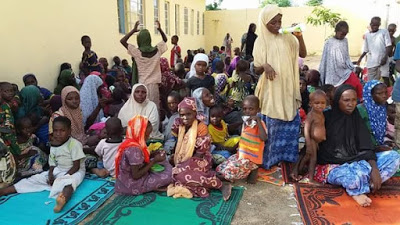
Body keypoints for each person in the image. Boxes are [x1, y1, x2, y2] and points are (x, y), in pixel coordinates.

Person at [314, 85, 400, 207]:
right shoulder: (326, 117)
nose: (351, 104)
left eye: (354, 100)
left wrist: (374, 169)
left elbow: (366, 147)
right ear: (337, 100)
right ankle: (357, 191)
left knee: (394, 157)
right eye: (346, 100)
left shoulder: (356, 117)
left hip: (359, 161)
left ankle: (364, 185)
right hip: (334, 165)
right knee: (354, 176)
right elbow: (317, 145)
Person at [253, 5, 307, 169]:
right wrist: (265, 65)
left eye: (279, 21)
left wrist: (299, 36)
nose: (277, 25)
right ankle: (269, 160)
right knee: (271, 127)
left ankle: (287, 160)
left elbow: (303, 54)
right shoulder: (261, 40)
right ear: (264, 23)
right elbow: (256, 68)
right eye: (273, 22)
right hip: (271, 90)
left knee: (290, 121)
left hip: (287, 88)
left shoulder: (288, 37)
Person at [0, 116, 86, 213]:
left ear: (69, 131)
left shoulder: (74, 144)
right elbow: (52, 163)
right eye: (56, 131)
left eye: (62, 131)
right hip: (60, 169)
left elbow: (76, 166)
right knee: (35, 179)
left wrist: (62, 178)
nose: (58, 134)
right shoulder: (54, 144)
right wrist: (50, 175)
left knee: (69, 184)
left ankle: (63, 199)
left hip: (74, 171)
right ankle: (5, 191)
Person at [167, 97, 231, 200]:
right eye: (182, 115)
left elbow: (200, 153)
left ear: (195, 113)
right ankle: (212, 176)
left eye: (189, 114)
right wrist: (175, 157)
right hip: (183, 159)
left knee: (179, 175)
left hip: (200, 160)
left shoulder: (201, 127)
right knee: (169, 171)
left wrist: (182, 165)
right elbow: (177, 142)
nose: (185, 118)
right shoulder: (179, 125)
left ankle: (220, 185)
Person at [115, 115, 172, 195]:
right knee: (169, 175)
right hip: (133, 185)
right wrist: (154, 160)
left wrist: (152, 155)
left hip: (124, 182)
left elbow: (139, 160)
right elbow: (136, 175)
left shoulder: (129, 141)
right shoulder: (134, 149)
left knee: (164, 165)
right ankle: (151, 187)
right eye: (146, 135)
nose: (148, 137)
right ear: (140, 132)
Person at [216, 95, 267, 183]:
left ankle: (251, 169)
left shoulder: (260, 123)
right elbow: (243, 138)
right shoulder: (246, 123)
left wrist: (258, 121)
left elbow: (264, 138)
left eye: (251, 109)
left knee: (227, 172)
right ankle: (245, 172)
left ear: (258, 110)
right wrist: (235, 148)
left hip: (252, 159)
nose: (247, 112)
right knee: (219, 168)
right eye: (245, 109)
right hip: (241, 155)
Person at [120, 20, 168, 108]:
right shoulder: (157, 50)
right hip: (154, 86)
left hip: (141, 86)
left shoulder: (137, 52)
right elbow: (165, 40)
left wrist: (133, 30)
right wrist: (160, 29)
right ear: (149, 39)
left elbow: (123, 41)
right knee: (154, 109)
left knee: (142, 110)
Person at [319, 21, 363, 98]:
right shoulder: (329, 43)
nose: (343, 36)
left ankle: (359, 101)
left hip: (344, 70)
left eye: (345, 34)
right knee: (334, 93)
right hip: (332, 72)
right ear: (336, 31)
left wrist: (351, 65)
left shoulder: (345, 41)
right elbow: (325, 59)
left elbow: (346, 56)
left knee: (356, 84)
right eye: (342, 33)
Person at [291, 90, 327, 184]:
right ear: (311, 103)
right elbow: (306, 129)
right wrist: (308, 143)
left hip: (316, 141)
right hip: (311, 140)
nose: (320, 105)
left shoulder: (321, 113)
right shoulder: (311, 115)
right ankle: (310, 179)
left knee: (307, 157)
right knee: (312, 159)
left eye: (323, 103)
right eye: (317, 103)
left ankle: (300, 170)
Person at [357, 17, 392, 81]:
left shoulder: (384, 32)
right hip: (372, 62)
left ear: (379, 24)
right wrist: (360, 58)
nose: (375, 27)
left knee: (385, 78)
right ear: (370, 24)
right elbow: (366, 49)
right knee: (371, 81)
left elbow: (389, 45)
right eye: (373, 25)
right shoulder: (367, 35)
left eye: (377, 25)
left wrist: (385, 57)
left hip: (383, 61)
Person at [357, 80, 389, 148]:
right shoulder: (360, 110)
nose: (384, 96)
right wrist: (376, 148)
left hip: (381, 144)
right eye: (379, 93)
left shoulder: (382, 108)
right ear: (370, 94)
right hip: (366, 148)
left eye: (386, 92)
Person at [0, 82, 20, 155]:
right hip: (4, 133)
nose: (10, 93)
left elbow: (16, 108)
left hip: (11, 132)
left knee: (14, 146)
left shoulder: (9, 103)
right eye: (6, 91)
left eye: (11, 91)